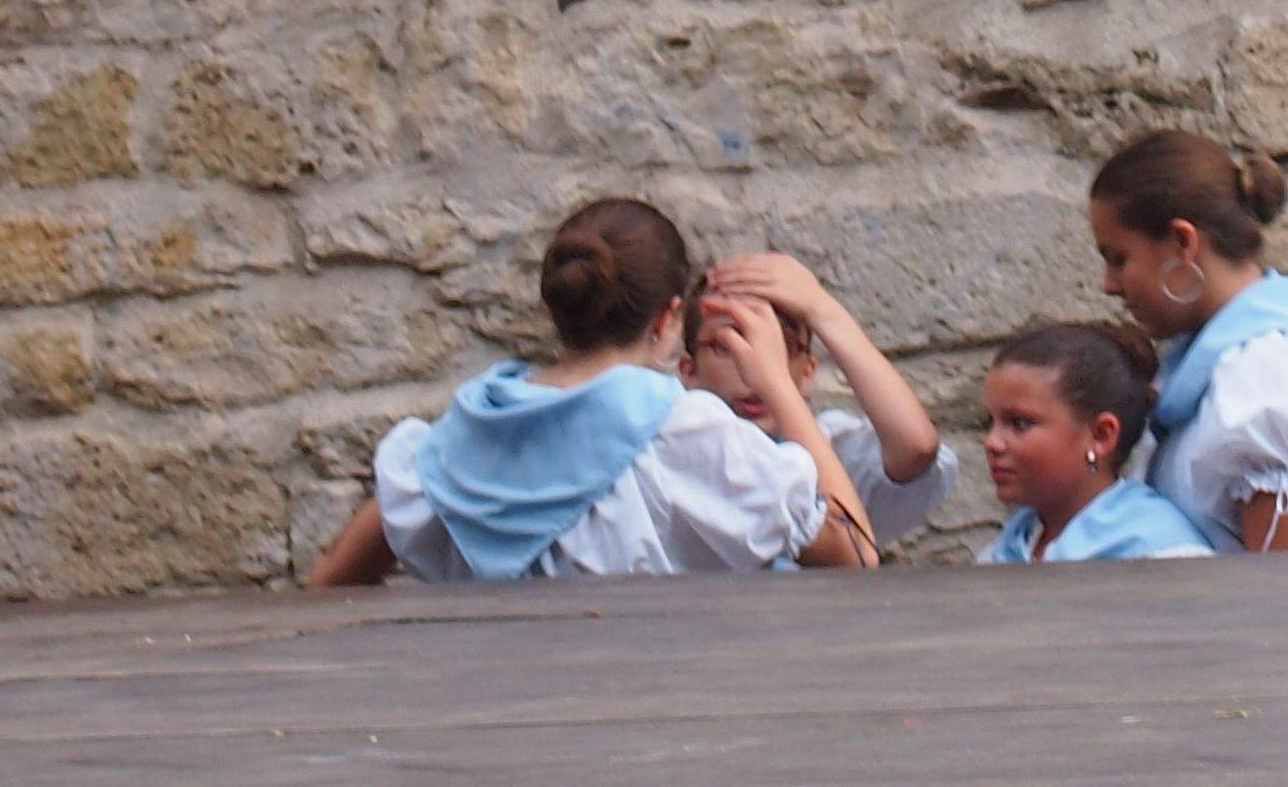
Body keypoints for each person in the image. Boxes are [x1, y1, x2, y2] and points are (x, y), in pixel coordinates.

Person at [305, 198, 880, 584]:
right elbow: (853, 555)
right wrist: (778, 383)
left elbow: (332, 580)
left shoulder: (458, 441)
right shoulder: (686, 436)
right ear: (669, 319)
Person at [1085, 130, 1288, 554]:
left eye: (1119, 259)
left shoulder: (1270, 378)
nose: (1109, 285)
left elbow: (1285, 596)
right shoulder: (1216, 368)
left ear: (1183, 242)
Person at [694, 250, 960, 552]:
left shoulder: (835, 454)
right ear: (689, 371)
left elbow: (917, 447)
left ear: (808, 373)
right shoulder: (677, 455)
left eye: (781, 346)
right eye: (727, 345)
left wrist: (822, 309)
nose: (752, 367)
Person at [976, 323, 1214, 563]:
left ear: (1101, 435)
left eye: (1020, 423)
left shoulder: (1162, 556)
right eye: (990, 422)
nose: (992, 443)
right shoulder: (1011, 547)